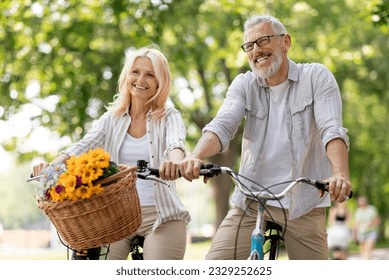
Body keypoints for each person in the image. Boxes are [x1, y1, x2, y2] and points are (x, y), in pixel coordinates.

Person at [179, 14, 352, 260]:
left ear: (285, 42)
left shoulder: (316, 77)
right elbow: (223, 124)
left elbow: (331, 129)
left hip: (303, 203)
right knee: (214, 265)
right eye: (249, 46)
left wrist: (340, 174)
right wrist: (195, 155)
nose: (256, 50)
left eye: (263, 41)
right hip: (251, 201)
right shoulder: (244, 84)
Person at [32, 46, 190, 260]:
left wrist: (176, 164)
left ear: (160, 82)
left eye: (150, 74)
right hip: (116, 215)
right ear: (127, 75)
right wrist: (52, 166)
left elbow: (176, 144)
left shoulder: (169, 116)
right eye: (135, 71)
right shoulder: (112, 118)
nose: (140, 79)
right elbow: (83, 146)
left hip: (162, 215)